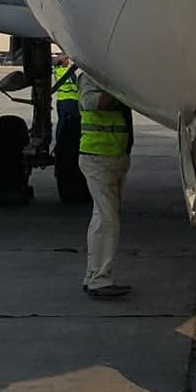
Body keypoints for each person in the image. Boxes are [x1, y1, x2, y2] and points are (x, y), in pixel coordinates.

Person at [77, 71, 133, 300]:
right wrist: (121, 84)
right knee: (108, 220)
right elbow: (91, 103)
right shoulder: (91, 75)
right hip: (98, 157)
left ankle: (92, 276)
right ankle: (99, 280)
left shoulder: (108, 75)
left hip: (113, 156)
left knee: (101, 217)